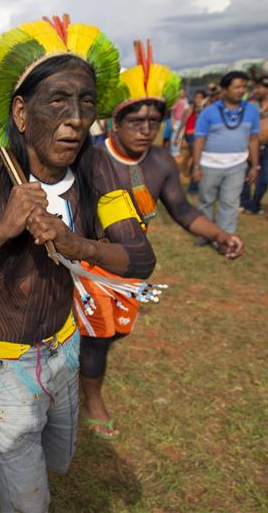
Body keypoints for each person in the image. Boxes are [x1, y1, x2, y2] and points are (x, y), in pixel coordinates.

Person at [0, 15, 156, 512]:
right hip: (1, 363)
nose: (76, 118)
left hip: (65, 347)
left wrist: (74, 243)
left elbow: (141, 259)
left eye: (86, 102)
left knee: (57, 457)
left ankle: (8, 472)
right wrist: (3, 230)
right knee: (29, 501)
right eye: (58, 101)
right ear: (21, 113)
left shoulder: (95, 166)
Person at [79, 41, 245, 439]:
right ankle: (92, 400)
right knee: (97, 340)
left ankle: (82, 377)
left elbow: (183, 211)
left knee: (113, 333)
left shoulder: (160, 162)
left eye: (153, 122)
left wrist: (220, 234)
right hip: (86, 263)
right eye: (136, 122)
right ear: (115, 123)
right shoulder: (90, 157)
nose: (146, 129)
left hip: (130, 268)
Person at [192, 71, 260, 245]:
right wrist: (196, 166)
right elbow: (199, 139)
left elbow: (253, 139)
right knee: (206, 201)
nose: (241, 90)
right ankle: (206, 234)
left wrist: (254, 166)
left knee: (230, 203)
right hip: (210, 164)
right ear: (224, 89)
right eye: (237, 86)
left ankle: (225, 239)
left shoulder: (251, 111)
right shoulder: (209, 112)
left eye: (244, 86)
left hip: (237, 165)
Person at [240, 75, 268, 214]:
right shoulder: (250, 103)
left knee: (264, 177)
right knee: (245, 174)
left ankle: (255, 204)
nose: (256, 90)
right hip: (250, 143)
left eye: (259, 87)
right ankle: (244, 202)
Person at [176, 90, 207, 194]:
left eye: (200, 97)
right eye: (196, 97)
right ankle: (193, 187)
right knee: (196, 159)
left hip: (200, 136)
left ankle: (195, 184)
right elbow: (183, 123)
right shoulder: (190, 108)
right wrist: (177, 136)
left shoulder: (205, 109)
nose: (198, 99)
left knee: (196, 158)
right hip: (191, 135)